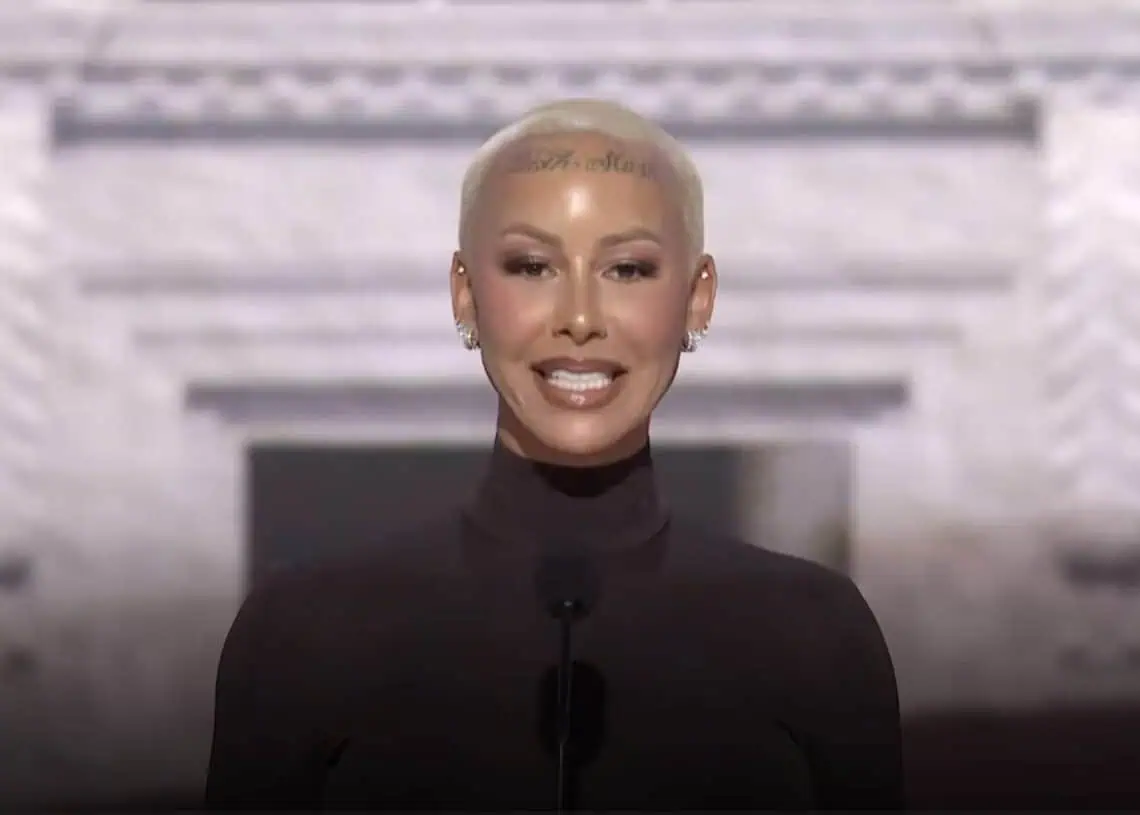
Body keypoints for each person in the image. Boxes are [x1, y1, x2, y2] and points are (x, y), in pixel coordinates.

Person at [204, 98, 905, 811]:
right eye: (532, 266)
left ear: (698, 299)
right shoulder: (303, 634)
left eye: (627, 269)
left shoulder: (816, 633)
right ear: (465, 295)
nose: (579, 318)